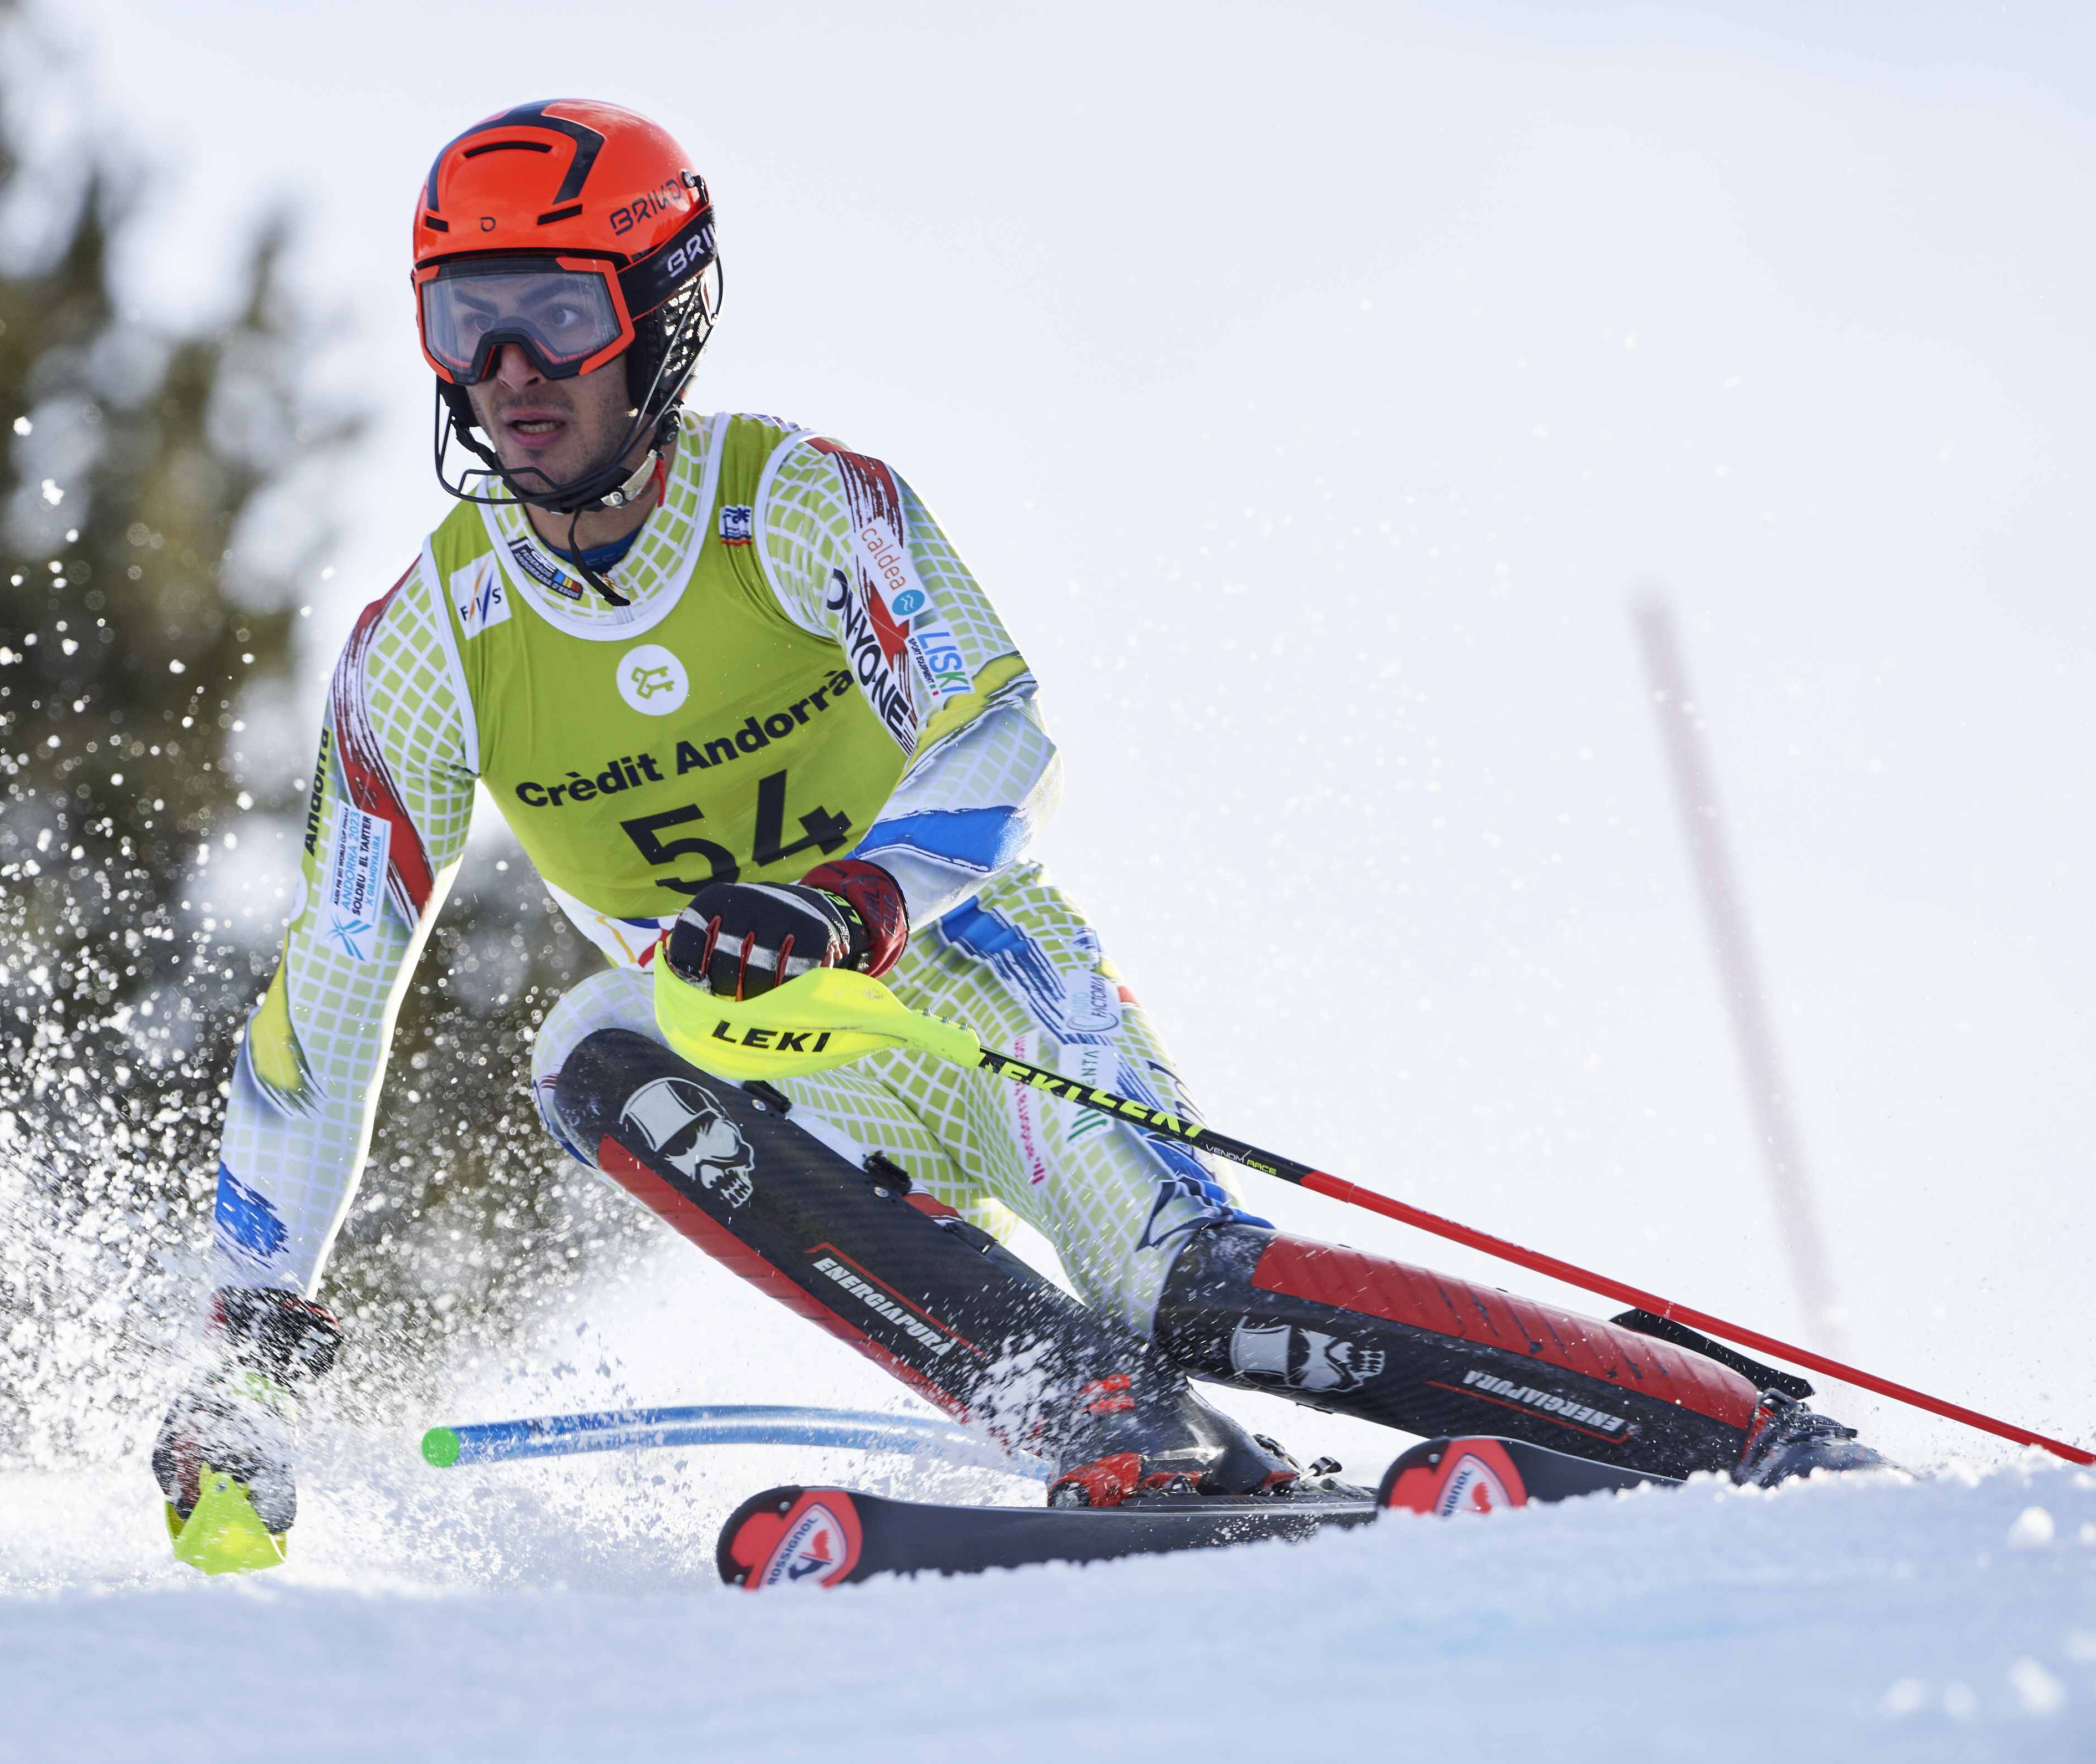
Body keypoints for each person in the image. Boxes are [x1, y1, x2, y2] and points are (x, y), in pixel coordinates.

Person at [153, 99, 1881, 1567]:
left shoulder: (803, 506)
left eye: (554, 313)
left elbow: (1001, 733)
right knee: (593, 1044)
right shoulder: (431, 648)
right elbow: (334, 991)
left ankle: (1730, 1424)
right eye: (463, 325)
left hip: (981, 1001)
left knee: (1197, 1294)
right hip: (779, 1080)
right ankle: (1091, 1413)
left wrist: (849, 900)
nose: (508, 373)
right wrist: (247, 1351)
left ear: (659, 314)